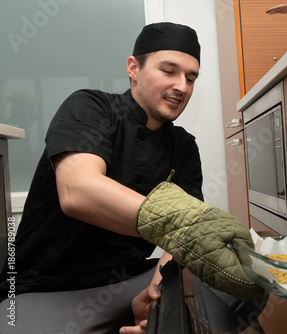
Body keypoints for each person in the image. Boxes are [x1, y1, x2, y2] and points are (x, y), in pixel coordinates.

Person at [0, 22, 262, 334]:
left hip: (130, 280)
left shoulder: (184, 146)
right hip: (49, 286)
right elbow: (77, 191)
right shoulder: (90, 108)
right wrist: (184, 225)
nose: (182, 86)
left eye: (191, 78)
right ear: (133, 68)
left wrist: (155, 295)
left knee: (244, 274)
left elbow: (176, 248)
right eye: (169, 71)